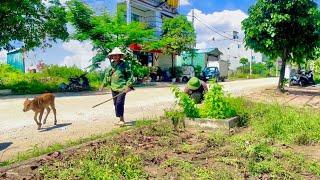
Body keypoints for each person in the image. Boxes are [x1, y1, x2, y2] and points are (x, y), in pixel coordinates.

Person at [100, 47, 134, 126]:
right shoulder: (111, 66)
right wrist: (103, 85)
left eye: (117, 55)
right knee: (115, 103)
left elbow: (130, 76)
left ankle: (122, 120)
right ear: (111, 57)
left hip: (122, 88)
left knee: (119, 103)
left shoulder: (124, 65)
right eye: (113, 55)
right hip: (113, 87)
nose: (115, 57)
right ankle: (120, 119)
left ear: (120, 56)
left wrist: (128, 85)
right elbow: (107, 76)